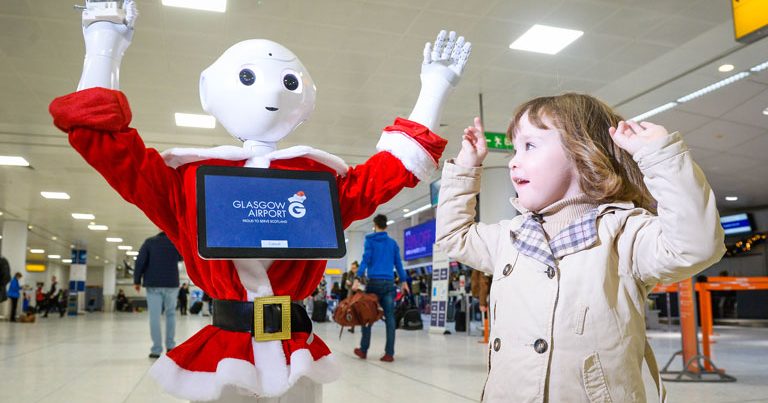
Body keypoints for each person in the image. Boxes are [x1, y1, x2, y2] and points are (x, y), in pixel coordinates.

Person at [48, 1, 471, 400]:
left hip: (295, 351)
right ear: (208, 91)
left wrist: (432, 91)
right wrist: (104, 44)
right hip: (225, 352)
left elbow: (387, 174)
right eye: (248, 77)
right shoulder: (188, 181)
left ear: (307, 99)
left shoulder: (317, 179)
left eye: (288, 81)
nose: (271, 91)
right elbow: (109, 147)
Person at [435, 94, 726, 401]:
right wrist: (466, 168)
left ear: (582, 151)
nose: (513, 161)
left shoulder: (623, 234)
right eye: (514, 149)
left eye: (529, 146)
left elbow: (697, 245)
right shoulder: (510, 236)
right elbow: (455, 236)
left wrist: (660, 156)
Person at [354, 214, 410, 363]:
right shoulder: (392, 244)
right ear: (386, 226)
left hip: (373, 283)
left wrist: (357, 278)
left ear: (375, 225)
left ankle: (364, 350)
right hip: (388, 284)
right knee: (390, 318)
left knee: (368, 314)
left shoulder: (370, 240)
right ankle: (389, 353)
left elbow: (365, 260)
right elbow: (398, 264)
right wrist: (404, 282)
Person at [134, 232, 182, 359]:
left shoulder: (149, 242)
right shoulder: (175, 241)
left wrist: (137, 281)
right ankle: (171, 346)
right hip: (172, 283)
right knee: (170, 314)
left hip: (153, 283)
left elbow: (140, 262)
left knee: (154, 317)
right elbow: (182, 257)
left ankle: (156, 349)